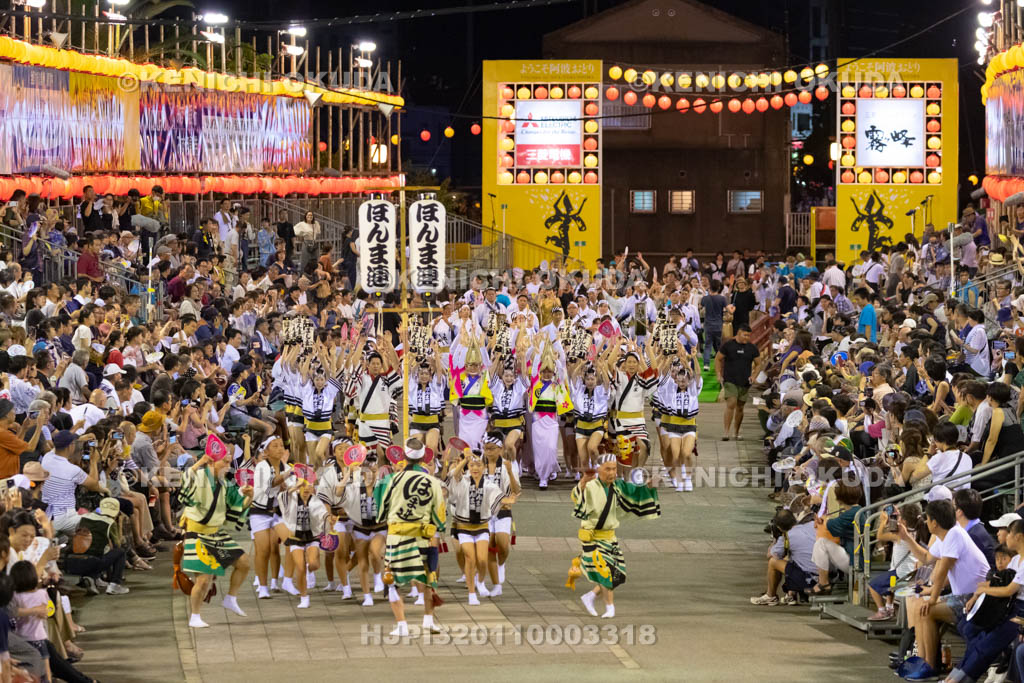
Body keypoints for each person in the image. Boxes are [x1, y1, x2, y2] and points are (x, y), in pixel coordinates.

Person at [899, 499, 990, 677]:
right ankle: (923, 662)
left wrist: (932, 599)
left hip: (974, 598)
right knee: (920, 608)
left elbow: (942, 570)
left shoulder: (954, 535)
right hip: (963, 595)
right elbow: (926, 558)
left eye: (927, 518)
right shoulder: (947, 535)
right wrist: (906, 537)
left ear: (935, 522)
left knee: (926, 610)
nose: (925, 522)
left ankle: (929, 665)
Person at [571, 456, 660, 618]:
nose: (612, 473)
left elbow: (636, 492)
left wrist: (650, 485)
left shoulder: (618, 486)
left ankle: (590, 596)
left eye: (614, 469)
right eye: (608, 469)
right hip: (592, 538)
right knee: (606, 573)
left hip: (610, 538)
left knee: (618, 574)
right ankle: (609, 607)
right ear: (598, 469)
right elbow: (578, 497)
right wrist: (583, 482)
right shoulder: (591, 486)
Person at [375, 442, 447, 636]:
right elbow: (440, 517)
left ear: (404, 457)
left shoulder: (393, 479)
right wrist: (436, 528)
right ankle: (428, 621)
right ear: (423, 458)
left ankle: (402, 625)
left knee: (393, 582)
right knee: (427, 579)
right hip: (423, 536)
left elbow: (381, 511)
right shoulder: (432, 481)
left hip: (398, 537)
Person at [178, 450, 254, 628]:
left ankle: (230, 598)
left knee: (243, 563)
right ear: (212, 462)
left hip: (215, 533)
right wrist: (199, 463)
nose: (228, 467)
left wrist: (249, 496)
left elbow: (236, 504)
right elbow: (185, 484)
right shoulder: (199, 476)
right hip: (196, 533)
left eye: (229, 463)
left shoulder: (225, 484)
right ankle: (195, 616)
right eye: (224, 463)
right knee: (203, 580)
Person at [716, 324, 760, 441]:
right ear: (739, 333)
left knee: (740, 407)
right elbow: (718, 359)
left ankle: (736, 432)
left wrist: (754, 376)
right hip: (730, 380)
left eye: (749, 336)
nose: (747, 338)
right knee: (731, 403)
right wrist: (718, 374)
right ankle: (726, 432)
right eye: (745, 335)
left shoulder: (752, 348)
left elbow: (759, 364)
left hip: (745, 381)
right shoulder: (728, 345)